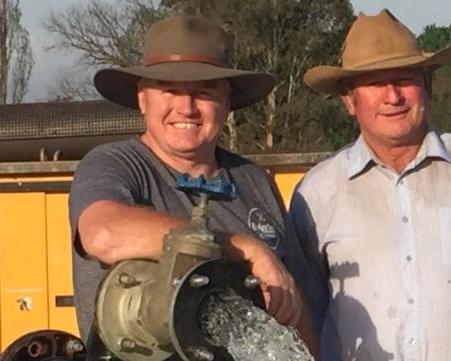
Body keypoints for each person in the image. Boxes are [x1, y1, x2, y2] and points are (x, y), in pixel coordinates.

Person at [288, 9, 451, 361]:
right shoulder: (316, 194)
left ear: (428, 86)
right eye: (375, 82)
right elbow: (307, 314)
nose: (393, 96)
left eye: (405, 78)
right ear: (349, 99)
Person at [68, 15, 317, 355]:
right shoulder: (115, 165)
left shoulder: (254, 180)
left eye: (203, 91)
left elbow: (295, 307)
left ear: (227, 103)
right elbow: (103, 234)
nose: (186, 107)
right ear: (143, 98)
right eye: (169, 90)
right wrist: (247, 251)